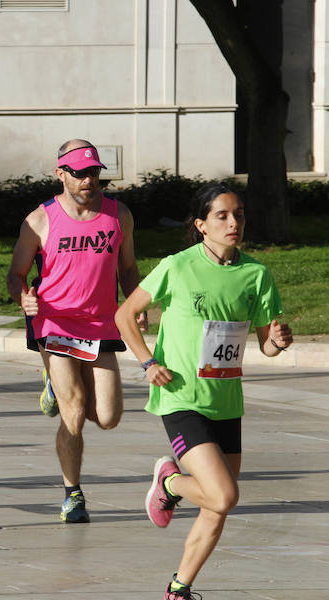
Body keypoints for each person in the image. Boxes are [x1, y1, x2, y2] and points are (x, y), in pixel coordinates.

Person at [115, 183, 292, 600]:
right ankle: (171, 482)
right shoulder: (176, 266)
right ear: (200, 225)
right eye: (223, 216)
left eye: (240, 215)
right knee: (224, 493)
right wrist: (148, 362)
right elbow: (125, 314)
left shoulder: (256, 274)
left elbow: (266, 345)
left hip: (226, 401)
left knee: (219, 505)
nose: (234, 223)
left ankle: (179, 588)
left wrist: (278, 342)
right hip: (180, 397)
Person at [6, 138, 146, 523]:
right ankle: (73, 493)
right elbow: (15, 276)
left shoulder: (120, 216)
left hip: (101, 323)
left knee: (109, 416)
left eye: (94, 173)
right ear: (61, 174)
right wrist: (24, 298)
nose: (88, 181)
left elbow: (128, 268)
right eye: (80, 173)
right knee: (75, 407)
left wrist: (134, 302)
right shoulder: (39, 220)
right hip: (55, 322)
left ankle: (56, 384)